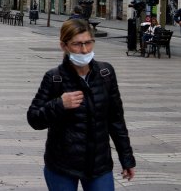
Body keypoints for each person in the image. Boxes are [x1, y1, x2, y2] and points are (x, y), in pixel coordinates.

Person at [27, 19, 136, 190]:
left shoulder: (106, 73)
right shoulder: (54, 78)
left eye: (88, 43)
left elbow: (116, 120)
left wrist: (126, 158)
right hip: (62, 166)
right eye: (77, 44)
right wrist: (59, 104)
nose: (84, 50)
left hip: (99, 165)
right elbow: (34, 118)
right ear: (64, 46)